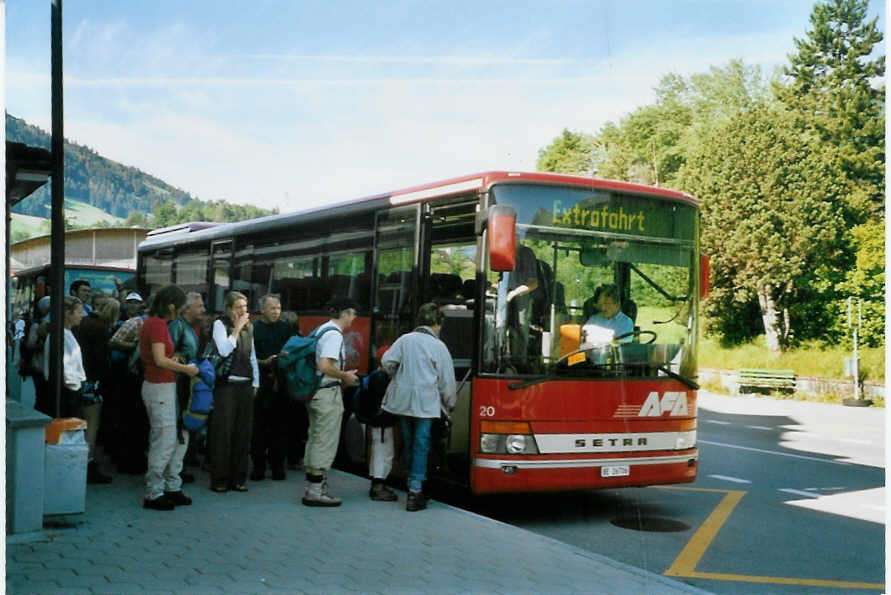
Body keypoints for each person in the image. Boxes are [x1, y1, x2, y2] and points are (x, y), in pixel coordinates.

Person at [380, 302, 457, 512]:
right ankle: (416, 490)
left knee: (408, 440)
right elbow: (446, 382)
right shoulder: (438, 346)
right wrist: (450, 405)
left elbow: (387, 363)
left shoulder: (404, 340)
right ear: (437, 324)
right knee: (422, 443)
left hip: (403, 401)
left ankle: (408, 482)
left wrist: (400, 376)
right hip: (426, 403)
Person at [140, 285, 199, 511]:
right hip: (160, 385)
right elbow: (159, 360)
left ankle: (167, 487)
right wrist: (187, 369)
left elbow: (161, 357)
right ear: (172, 305)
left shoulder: (154, 323)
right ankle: (154, 492)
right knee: (163, 441)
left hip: (160, 385)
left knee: (169, 438)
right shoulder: (157, 325)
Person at [301, 298, 359, 507]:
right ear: (344, 313)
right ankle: (316, 491)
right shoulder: (334, 335)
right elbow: (325, 365)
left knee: (315, 438)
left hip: (316, 392)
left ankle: (311, 486)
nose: (354, 318)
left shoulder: (322, 329)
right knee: (324, 441)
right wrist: (345, 376)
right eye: (352, 313)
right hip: (327, 394)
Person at [208, 291, 259, 493]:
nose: (243, 312)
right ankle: (219, 478)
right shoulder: (220, 324)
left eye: (245, 308)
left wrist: (256, 382)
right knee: (223, 432)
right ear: (229, 309)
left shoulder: (250, 328)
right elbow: (223, 350)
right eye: (239, 307)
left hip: (245, 384)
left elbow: (252, 355)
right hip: (226, 385)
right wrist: (236, 329)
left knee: (242, 432)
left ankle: (239, 478)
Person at [74, 296, 121, 484]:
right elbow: (101, 359)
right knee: (92, 424)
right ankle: (88, 463)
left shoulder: (84, 322)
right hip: (92, 381)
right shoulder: (101, 328)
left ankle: (79, 460)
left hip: (78, 378)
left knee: (79, 421)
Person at [250, 295, 292, 481]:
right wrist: (263, 362)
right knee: (259, 426)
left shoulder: (286, 328)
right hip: (261, 384)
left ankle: (277, 466)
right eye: (272, 308)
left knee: (281, 427)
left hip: (281, 384)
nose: (276, 311)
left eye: (278, 307)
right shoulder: (254, 329)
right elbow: (248, 357)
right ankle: (258, 466)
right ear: (262, 310)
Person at [167, 292, 206, 484]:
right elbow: (168, 355)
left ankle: (176, 469)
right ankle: (172, 473)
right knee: (177, 427)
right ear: (188, 308)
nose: (203, 309)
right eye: (199, 306)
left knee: (182, 427)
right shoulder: (178, 326)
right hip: (177, 384)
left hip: (185, 383)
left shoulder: (190, 327)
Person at [108, 292, 149, 474]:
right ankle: (128, 459)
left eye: (136, 303)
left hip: (134, 374)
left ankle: (128, 457)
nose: (133, 306)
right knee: (132, 418)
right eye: (129, 302)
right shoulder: (134, 322)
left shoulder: (135, 321)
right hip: (130, 375)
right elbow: (113, 342)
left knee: (134, 418)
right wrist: (136, 348)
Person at [43, 296, 87, 419]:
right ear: (68, 313)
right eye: (79, 312)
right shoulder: (60, 335)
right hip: (67, 392)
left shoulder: (65, 333)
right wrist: (74, 387)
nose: (82, 315)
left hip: (69, 390)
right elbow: (65, 366)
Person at [496, 244, 539, 368]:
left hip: (520, 298)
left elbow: (533, 283)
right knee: (499, 327)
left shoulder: (526, 253)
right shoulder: (503, 250)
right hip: (505, 297)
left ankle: (519, 365)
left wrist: (513, 294)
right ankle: (500, 360)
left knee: (519, 329)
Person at [280, 310, 308, 471]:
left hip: (284, 386)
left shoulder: (282, 341)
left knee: (282, 423)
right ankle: (294, 458)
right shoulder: (302, 340)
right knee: (298, 425)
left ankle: (279, 455)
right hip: (299, 388)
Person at [24, 296, 52, 416]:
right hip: (39, 366)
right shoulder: (37, 325)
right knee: (42, 397)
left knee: (43, 397)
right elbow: (30, 345)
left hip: (42, 365)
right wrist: (45, 343)